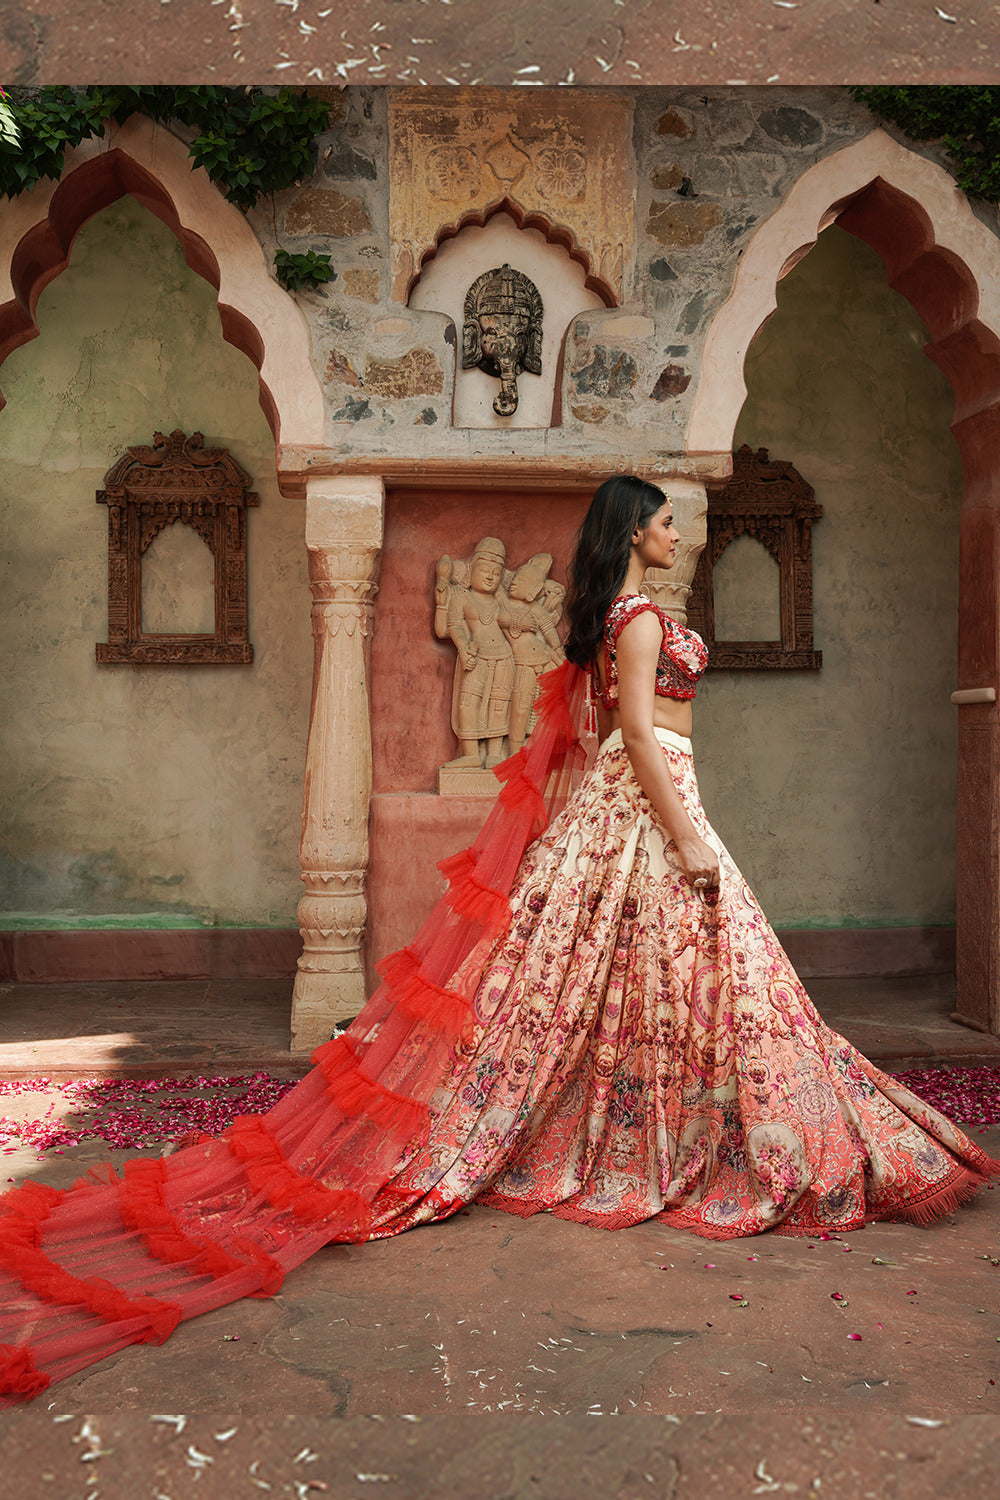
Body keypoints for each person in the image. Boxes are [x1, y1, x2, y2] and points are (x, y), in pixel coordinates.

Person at [0, 475, 996, 1406]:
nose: (674, 533)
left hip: (628, 808)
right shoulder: (640, 617)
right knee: (709, 971)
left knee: (637, 979)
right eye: (659, 523)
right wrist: (689, 836)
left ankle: (665, 1119)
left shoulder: (610, 616)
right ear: (630, 535)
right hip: (650, 808)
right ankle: (695, 1132)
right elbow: (641, 736)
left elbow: (623, 736)